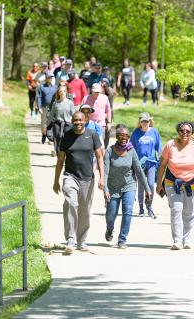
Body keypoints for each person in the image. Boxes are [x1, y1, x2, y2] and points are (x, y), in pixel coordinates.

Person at [156, 121, 194, 250]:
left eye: (188, 131)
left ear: (192, 133)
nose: (184, 133)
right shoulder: (170, 145)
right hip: (172, 183)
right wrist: (158, 184)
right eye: (182, 131)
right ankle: (177, 240)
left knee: (190, 212)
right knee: (176, 209)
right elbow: (162, 165)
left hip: (192, 184)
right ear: (178, 132)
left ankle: (186, 239)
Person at [53, 111, 105, 254]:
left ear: (85, 120)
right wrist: (56, 180)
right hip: (70, 176)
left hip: (87, 178)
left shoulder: (92, 135)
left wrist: (102, 177)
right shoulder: (67, 136)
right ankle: (70, 240)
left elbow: (100, 157)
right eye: (75, 120)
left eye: (80, 120)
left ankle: (81, 241)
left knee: (84, 211)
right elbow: (60, 160)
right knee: (71, 203)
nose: (78, 123)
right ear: (72, 120)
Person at [104, 124, 151, 249]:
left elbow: (139, 171)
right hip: (113, 187)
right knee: (111, 214)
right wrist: (105, 189)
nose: (124, 137)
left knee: (128, 212)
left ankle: (122, 239)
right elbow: (105, 172)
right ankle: (110, 228)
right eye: (121, 135)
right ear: (117, 137)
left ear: (129, 137)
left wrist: (147, 189)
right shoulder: (109, 151)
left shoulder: (131, 151)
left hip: (129, 186)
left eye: (126, 136)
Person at [130, 112, 162, 219]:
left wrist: (161, 159)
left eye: (147, 121)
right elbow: (131, 147)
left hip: (152, 162)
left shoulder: (154, 131)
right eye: (143, 121)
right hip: (140, 163)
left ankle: (149, 206)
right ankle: (141, 208)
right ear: (140, 122)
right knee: (141, 185)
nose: (145, 123)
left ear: (150, 121)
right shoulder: (136, 133)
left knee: (151, 184)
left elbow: (159, 146)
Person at [46, 86, 74, 156]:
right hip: (57, 125)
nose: (62, 92)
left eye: (64, 91)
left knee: (66, 142)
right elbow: (51, 116)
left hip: (67, 125)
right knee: (57, 142)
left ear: (66, 92)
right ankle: (58, 158)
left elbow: (73, 115)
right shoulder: (55, 103)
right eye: (60, 91)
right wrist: (45, 125)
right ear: (58, 93)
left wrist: (75, 125)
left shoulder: (70, 103)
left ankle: (66, 157)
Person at [37, 72, 57, 144]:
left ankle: (50, 138)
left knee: (51, 122)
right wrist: (39, 107)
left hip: (53, 108)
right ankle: (44, 135)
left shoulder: (55, 87)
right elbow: (39, 97)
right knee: (43, 123)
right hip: (44, 107)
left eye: (51, 77)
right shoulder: (41, 87)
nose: (50, 79)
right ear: (46, 78)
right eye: (49, 77)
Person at [101, 78, 116, 148]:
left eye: (104, 83)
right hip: (101, 114)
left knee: (107, 131)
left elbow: (110, 107)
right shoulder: (99, 93)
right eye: (102, 83)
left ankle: (106, 146)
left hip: (108, 113)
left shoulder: (109, 93)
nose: (103, 84)